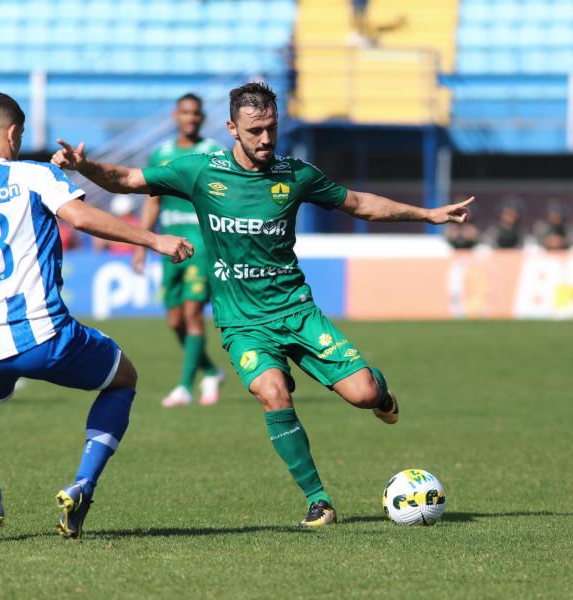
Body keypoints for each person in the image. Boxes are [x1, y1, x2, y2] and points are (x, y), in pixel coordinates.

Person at [52, 82, 474, 527]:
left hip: (296, 312)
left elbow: (359, 204)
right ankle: (319, 500)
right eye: (255, 130)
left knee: (364, 393)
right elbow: (128, 180)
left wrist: (428, 215)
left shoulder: (296, 174)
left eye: (272, 128)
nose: (266, 139)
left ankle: (380, 390)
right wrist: (85, 167)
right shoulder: (200, 171)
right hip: (243, 324)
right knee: (272, 393)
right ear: (233, 128)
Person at [0, 92, 193, 540]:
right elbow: (82, 219)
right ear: (14, 134)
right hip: (46, 334)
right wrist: (153, 240)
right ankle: (83, 484)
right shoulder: (34, 174)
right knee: (123, 378)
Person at [132, 93, 225, 407]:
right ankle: (211, 371)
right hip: (169, 246)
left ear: (202, 118)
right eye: (185, 112)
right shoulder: (161, 153)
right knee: (174, 320)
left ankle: (185, 387)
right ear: (176, 116)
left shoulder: (212, 152)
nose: (191, 118)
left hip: (201, 246)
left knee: (193, 313)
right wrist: (143, 243)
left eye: (196, 113)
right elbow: (153, 199)